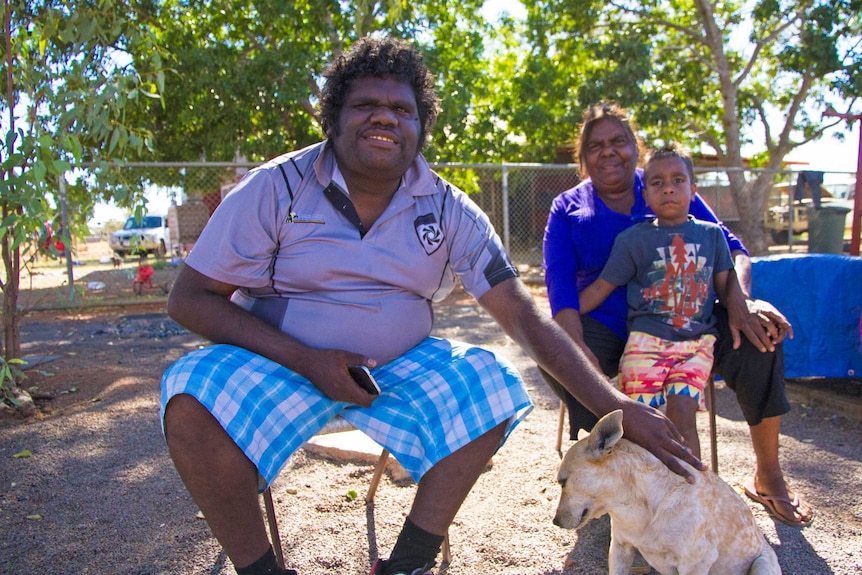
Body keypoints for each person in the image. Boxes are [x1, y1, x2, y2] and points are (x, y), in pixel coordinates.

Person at [160, 39, 703, 575]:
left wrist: (619, 406)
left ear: (421, 127)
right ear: (333, 118)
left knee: (492, 386)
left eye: (401, 108)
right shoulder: (274, 188)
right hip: (281, 362)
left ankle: (408, 564)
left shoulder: (448, 208)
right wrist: (307, 360)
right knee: (190, 398)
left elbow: (524, 317)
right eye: (365, 106)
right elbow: (189, 299)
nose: (385, 119)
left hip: (395, 370)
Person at [542, 102, 814, 528]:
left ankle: (768, 474)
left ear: (636, 147)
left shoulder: (662, 182)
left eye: (618, 141)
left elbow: (729, 246)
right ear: (582, 158)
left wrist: (743, 303)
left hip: (690, 318)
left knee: (759, 338)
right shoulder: (568, 208)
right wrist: (575, 350)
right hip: (611, 325)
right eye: (595, 146)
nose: (608, 152)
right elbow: (562, 292)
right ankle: (619, 485)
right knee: (562, 361)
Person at [578, 145, 734, 457]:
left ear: (693, 190)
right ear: (645, 195)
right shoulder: (633, 239)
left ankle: (689, 490)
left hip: (695, 344)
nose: (668, 189)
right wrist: (561, 316)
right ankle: (640, 491)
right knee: (637, 420)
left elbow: (728, 288)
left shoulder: (712, 235)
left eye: (678, 180)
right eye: (657, 183)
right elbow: (601, 288)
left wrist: (751, 307)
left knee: (682, 414)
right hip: (645, 342)